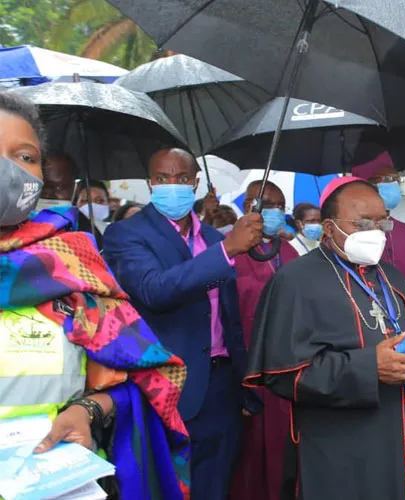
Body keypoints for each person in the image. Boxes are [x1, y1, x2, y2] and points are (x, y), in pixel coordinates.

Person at [0, 92, 190, 498]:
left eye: (25, 157)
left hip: (53, 483)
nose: (8, 169)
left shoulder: (75, 269)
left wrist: (88, 411)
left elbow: (146, 378)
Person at [244, 177, 405, 500]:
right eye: (363, 222)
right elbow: (284, 375)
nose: (375, 231)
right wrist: (369, 367)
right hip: (338, 451)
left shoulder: (392, 278)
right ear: (329, 227)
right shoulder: (295, 281)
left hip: (400, 439)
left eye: (381, 222)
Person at [103, 148, 265, 500]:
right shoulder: (125, 234)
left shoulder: (211, 237)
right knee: (164, 485)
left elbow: (228, 315)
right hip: (165, 384)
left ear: (194, 183)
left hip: (221, 384)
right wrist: (227, 252)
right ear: (150, 183)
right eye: (162, 178)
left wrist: (242, 379)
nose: (171, 185)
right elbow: (154, 290)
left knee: (215, 483)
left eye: (180, 178)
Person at [230, 180, 300, 500]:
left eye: (279, 207)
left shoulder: (290, 251)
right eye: (266, 204)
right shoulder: (230, 249)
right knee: (247, 459)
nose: (274, 212)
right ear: (247, 207)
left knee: (281, 452)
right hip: (243, 370)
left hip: (285, 370)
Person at [353, 152, 405, 280]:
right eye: (387, 179)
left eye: (397, 179)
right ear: (368, 185)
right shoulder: (353, 230)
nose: (395, 185)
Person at [40, 152, 104, 249]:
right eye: (42, 187)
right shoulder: (15, 222)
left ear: (75, 188)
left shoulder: (90, 231)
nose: (48, 194)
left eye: (59, 188)